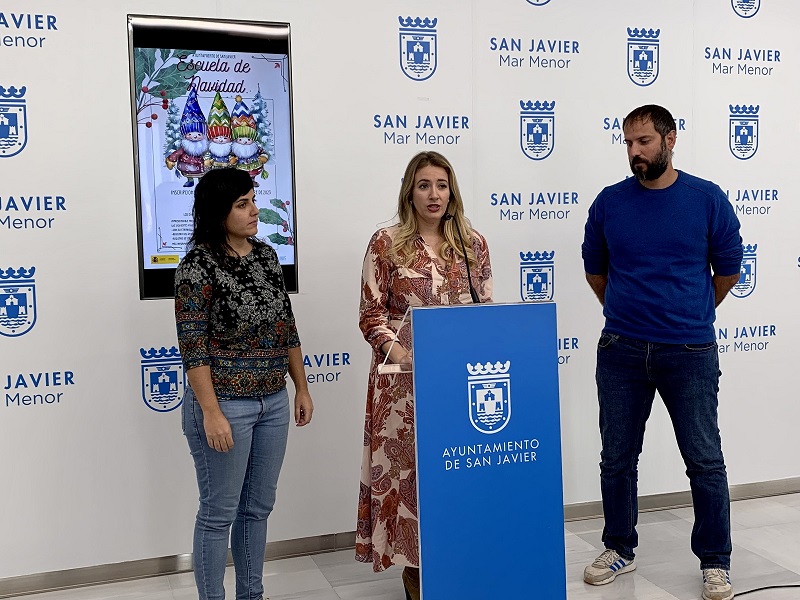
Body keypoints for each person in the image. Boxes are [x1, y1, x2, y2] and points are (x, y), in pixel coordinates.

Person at [581, 105, 742, 600]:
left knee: (705, 460)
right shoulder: (610, 202)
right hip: (621, 349)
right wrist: (627, 312)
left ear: (670, 140)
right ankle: (619, 547)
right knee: (616, 458)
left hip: (689, 350)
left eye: (644, 141)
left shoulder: (706, 199)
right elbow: (595, 269)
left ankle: (715, 562)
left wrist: (690, 312)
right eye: (628, 143)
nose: (635, 151)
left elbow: (728, 269)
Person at [355, 151, 493, 600]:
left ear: (452, 191)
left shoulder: (473, 244)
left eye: (441, 185)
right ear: (409, 192)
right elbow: (371, 315)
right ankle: (415, 571)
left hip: (458, 382)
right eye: (424, 185)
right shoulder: (386, 243)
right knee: (409, 476)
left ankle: (458, 561)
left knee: (454, 473)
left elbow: (486, 312)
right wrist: (403, 354)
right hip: (403, 385)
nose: (434, 194)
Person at [174, 167, 313, 600]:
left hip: (273, 401)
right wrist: (211, 413)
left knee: (257, 509)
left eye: (253, 200)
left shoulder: (266, 256)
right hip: (225, 405)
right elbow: (193, 346)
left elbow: (286, 325)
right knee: (219, 513)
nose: (255, 211)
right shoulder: (197, 265)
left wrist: (301, 387)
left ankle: (252, 595)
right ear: (219, 212)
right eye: (243, 204)